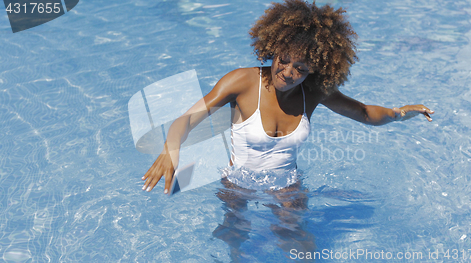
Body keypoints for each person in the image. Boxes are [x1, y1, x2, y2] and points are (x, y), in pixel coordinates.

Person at [141, 0, 434, 194]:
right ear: (273, 48)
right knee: (234, 241)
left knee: (300, 243)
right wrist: (170, 148)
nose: (287, 72)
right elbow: (188, 119)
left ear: (314, 70)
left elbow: (365, 113)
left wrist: (399, 113)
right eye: (283, 60)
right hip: (237, 185)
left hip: (287, 188)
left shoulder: (314, 93)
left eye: (300, 68)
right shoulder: (242, 81)